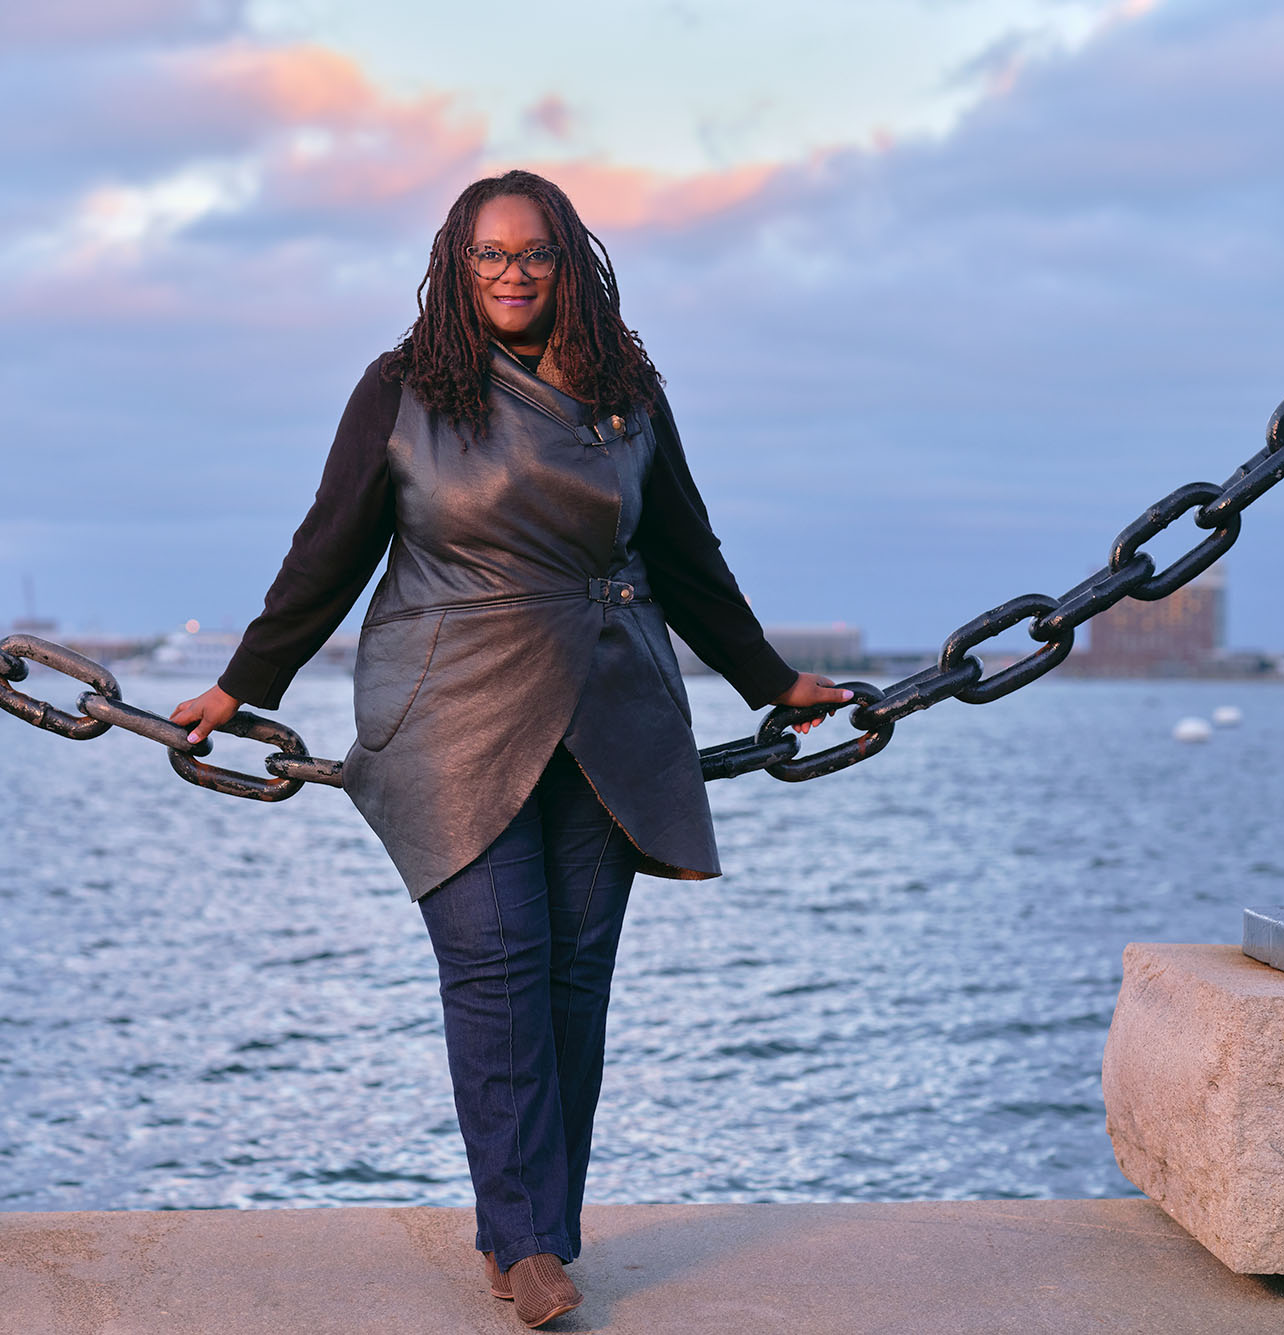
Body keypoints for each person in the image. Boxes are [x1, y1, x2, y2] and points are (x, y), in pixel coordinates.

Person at [171, 170, 848, 1329]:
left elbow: (683, 550)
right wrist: (247, 682)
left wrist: (767, 678)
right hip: (454, 709)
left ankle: (532, 1236)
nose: (511, 274)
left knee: (572, 979)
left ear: (568, 262)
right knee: (493, 966)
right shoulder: (401, 388)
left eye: (533, 253)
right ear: (453, 264)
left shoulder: (627, 391)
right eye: (488, 254)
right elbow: (329, 546)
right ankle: (526, 1246)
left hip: (611, 700)